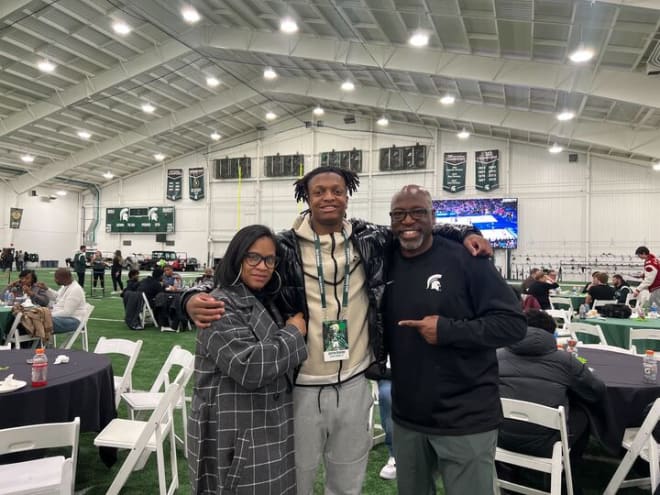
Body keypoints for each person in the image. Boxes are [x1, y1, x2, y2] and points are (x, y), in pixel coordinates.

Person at [184, 166, 492, 494]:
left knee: (347, 485)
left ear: (347, 196)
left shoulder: (372, 239)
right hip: (300, 386)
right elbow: (237, 277)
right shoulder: (282, 247)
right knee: (294, 482)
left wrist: (466, 232)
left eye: (337, 190)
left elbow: (417, 226)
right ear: (307, 197)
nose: (329, 197)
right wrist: (187, 300)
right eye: (319, 192)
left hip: (355, 384)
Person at [384, 184, 526, 495]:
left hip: (465, 417)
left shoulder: (467, 260)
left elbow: (513, 325)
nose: (408, 220)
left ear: (433, 217)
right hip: (408, 416)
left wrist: (448, 331)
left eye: (418, 212)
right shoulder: (384, 259)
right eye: (399, 214)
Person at [187, 224, 308, 494]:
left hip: (265, 427)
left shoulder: (268, 299)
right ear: (237, 258)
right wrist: (294, 332)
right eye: (253, 257)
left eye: (269, 259)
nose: (262, 266)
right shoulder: (217, 305)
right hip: (237, 435)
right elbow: (249, 368)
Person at [497, 309, 605, 491]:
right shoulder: (566, 360)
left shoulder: (497, 355)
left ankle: (507, 469)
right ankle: (567, 469)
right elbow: (596, 391)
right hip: (546, 444)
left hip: (499, 436)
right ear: (551, 333)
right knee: (584, 414)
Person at [45, 268, 87, 334]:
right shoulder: (65, 286)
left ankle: (39, 344)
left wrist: (49, 315)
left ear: (64, 278)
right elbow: (57, 297)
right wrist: (46, 289)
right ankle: (33, 344)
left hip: (75, 321)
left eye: (56, 278)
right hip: (63, 318)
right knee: (38, 319)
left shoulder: (76, 289)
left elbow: (67, 312)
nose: (55, 280)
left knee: (44, 320)